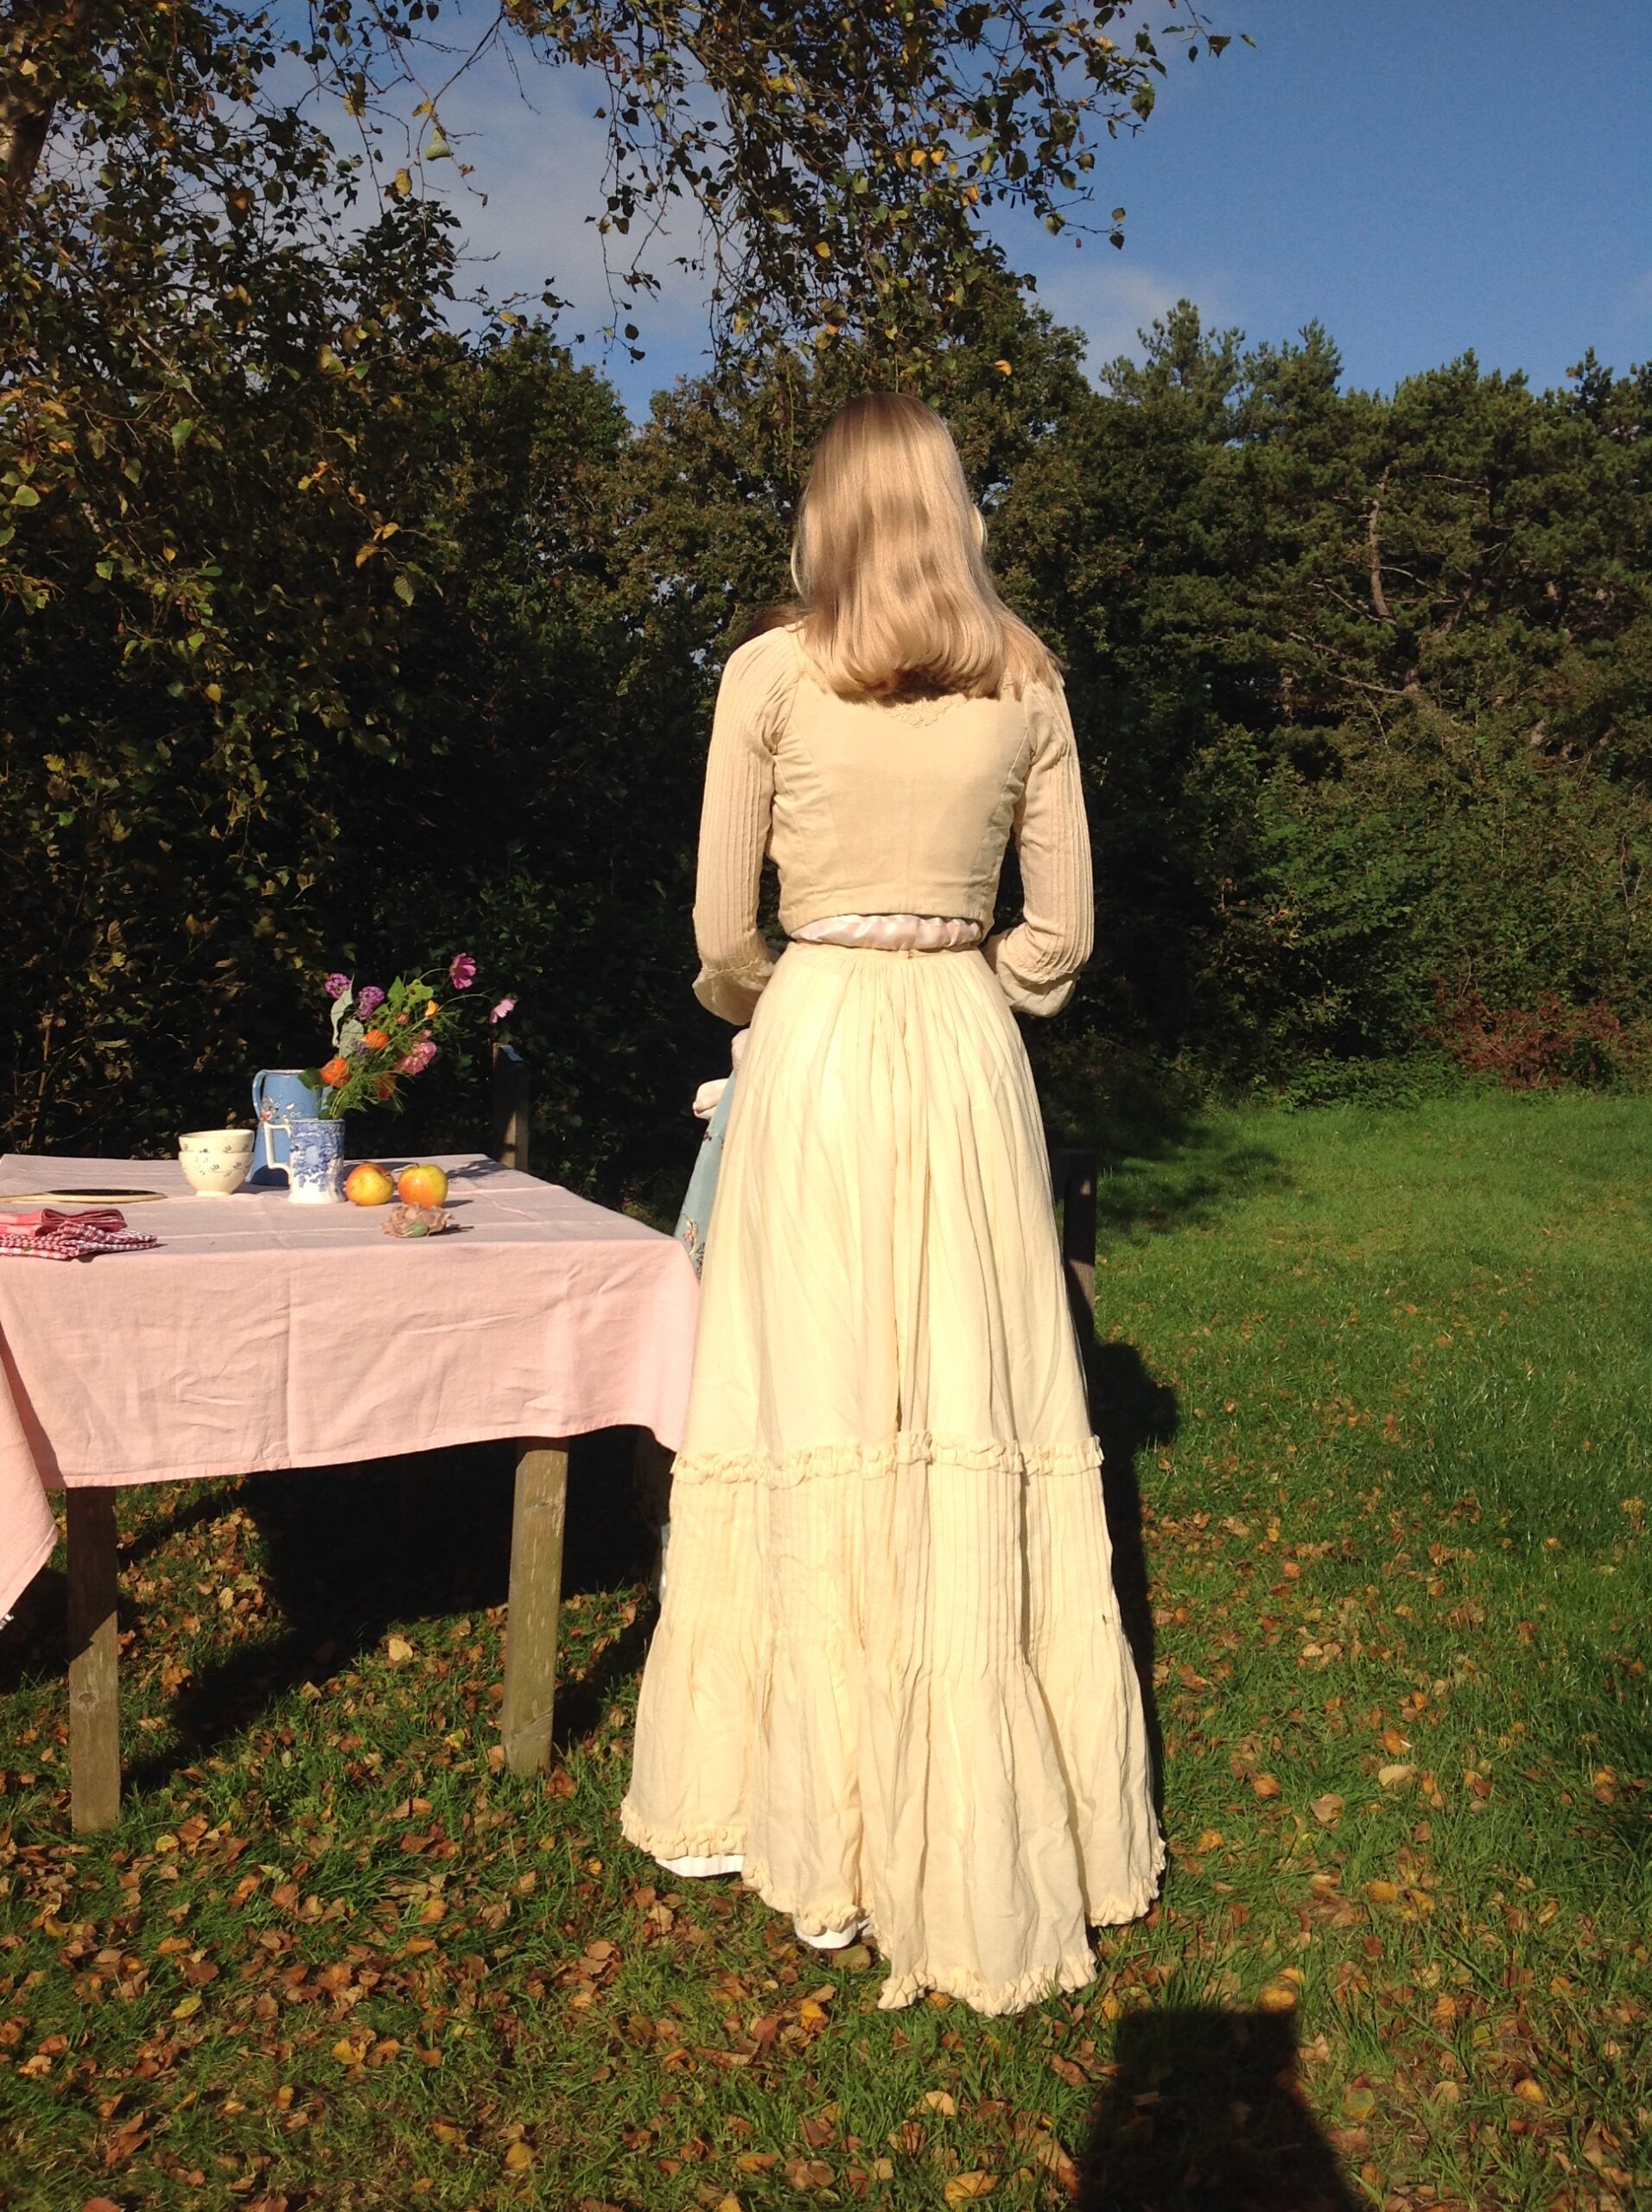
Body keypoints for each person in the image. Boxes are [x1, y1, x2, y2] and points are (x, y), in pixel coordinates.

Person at [620, 391, 1162, 2017]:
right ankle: (983, 1812)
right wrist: (985, 983)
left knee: (814, 1398)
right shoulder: (1028, 675)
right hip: (963, 1046)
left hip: (821, 1037)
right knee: (967, 1393)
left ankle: (823, 1838)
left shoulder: (767, 675)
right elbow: (1062, 927)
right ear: (950, 507)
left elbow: (721, 929)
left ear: (828, 513)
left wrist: (781, 999)